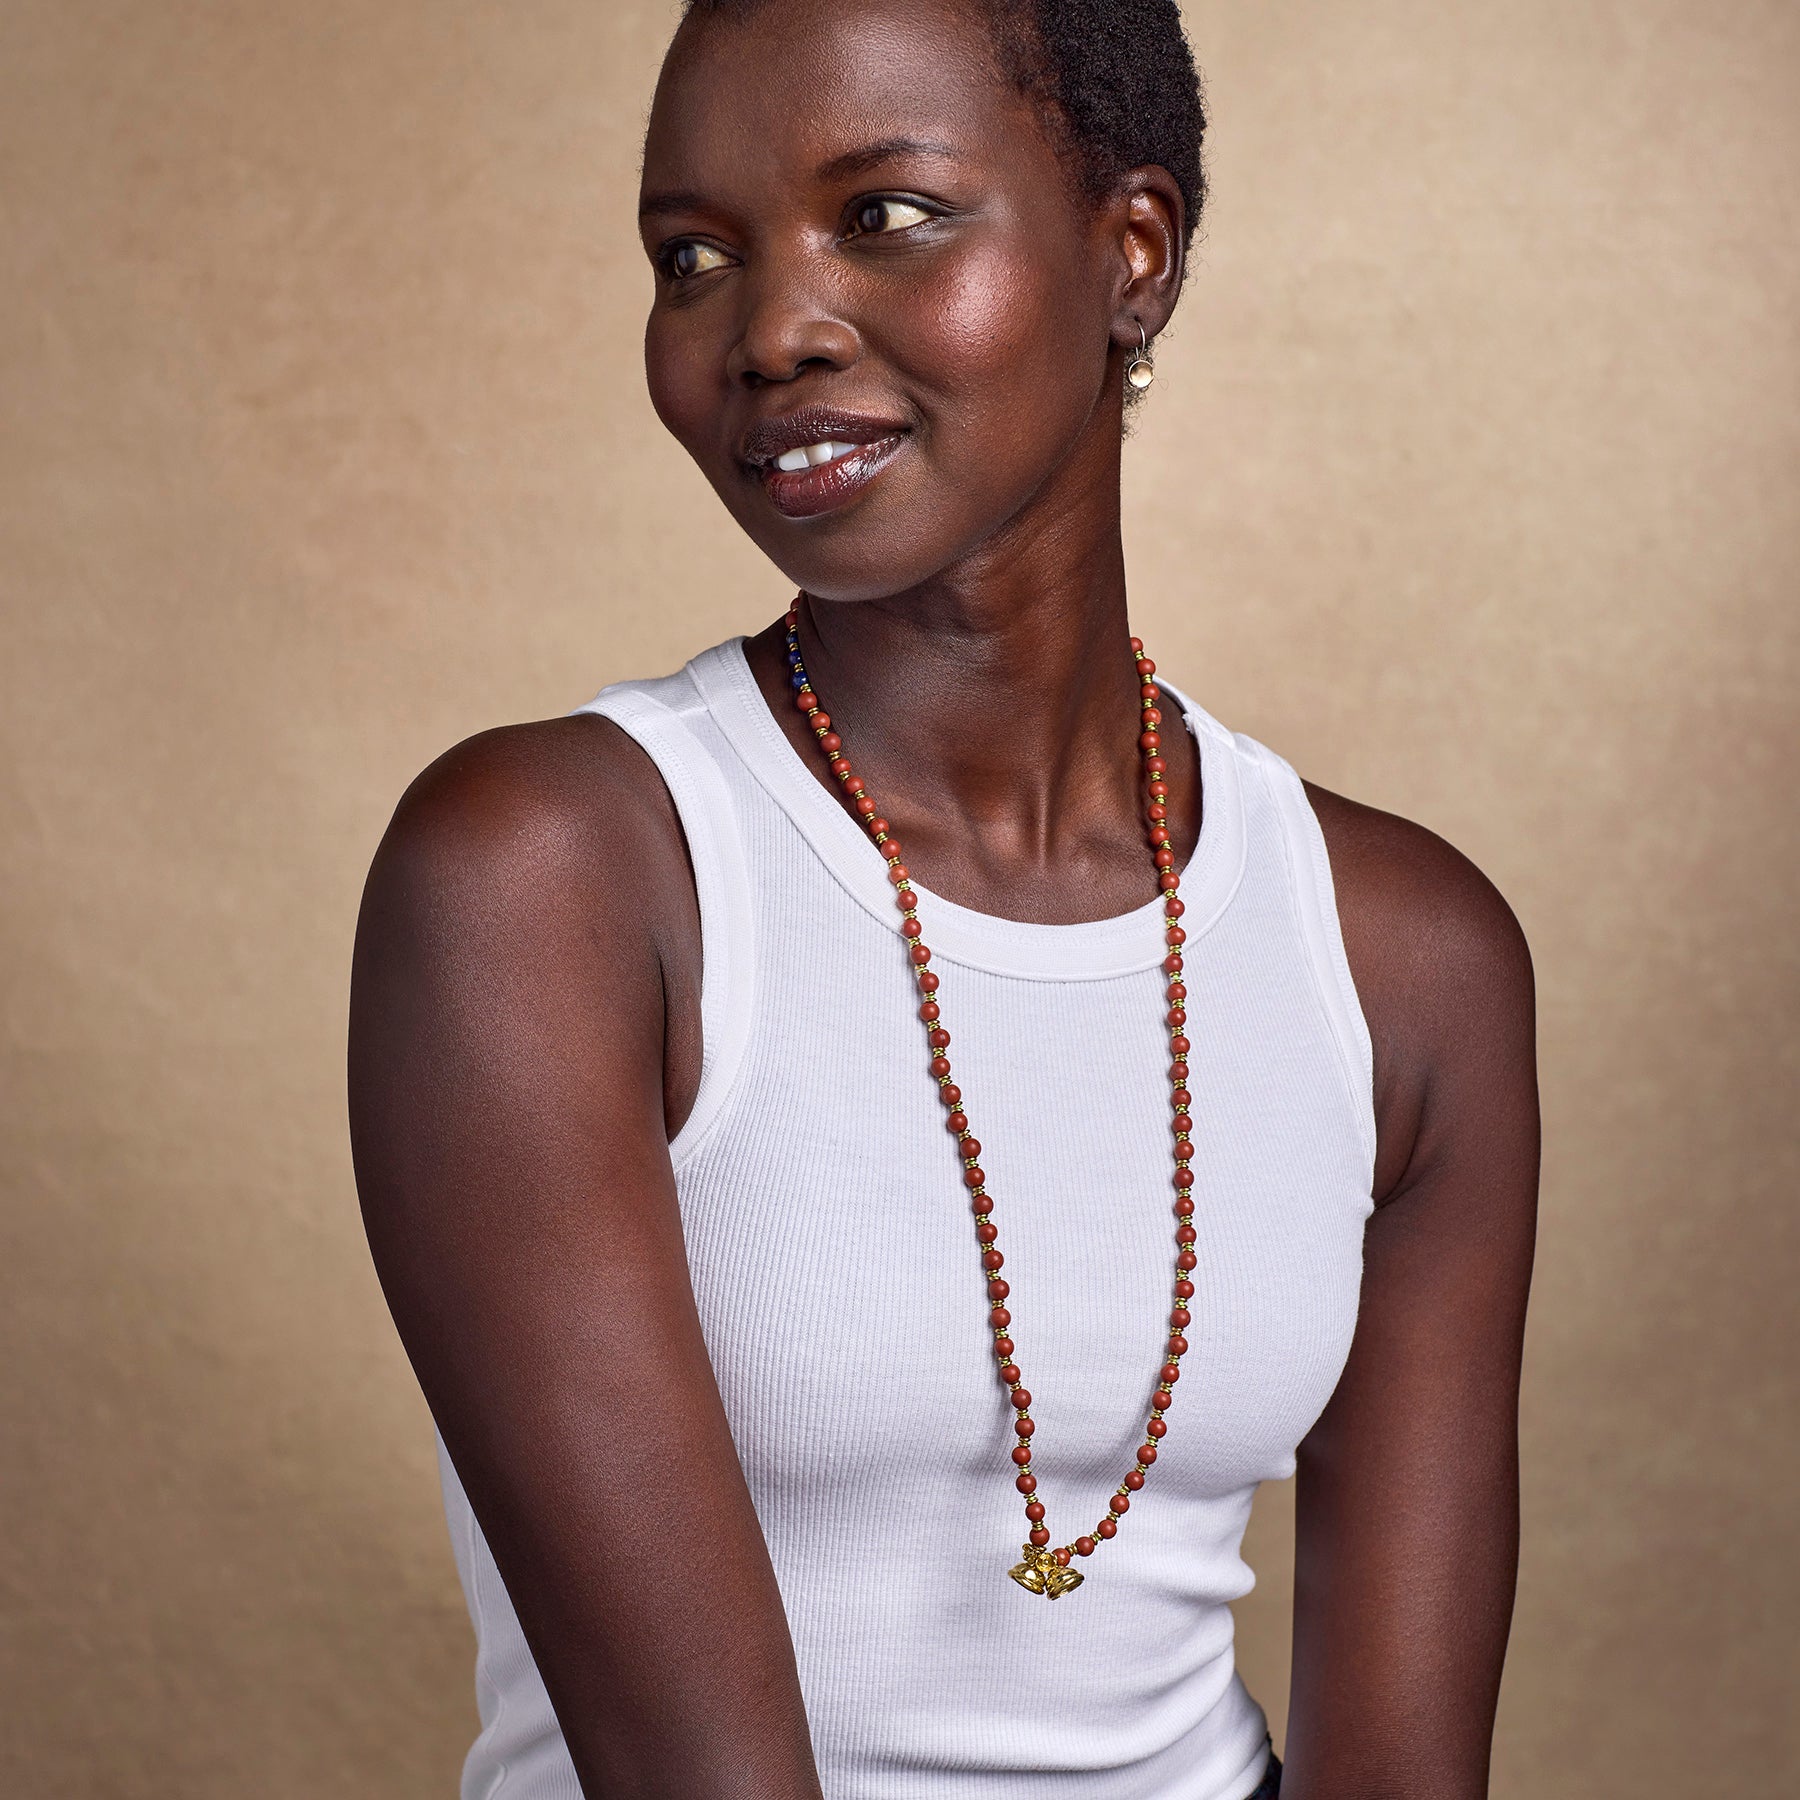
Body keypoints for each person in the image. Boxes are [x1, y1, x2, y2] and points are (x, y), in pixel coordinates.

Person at [347, 1, 1539, 1795]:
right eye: (693, 257)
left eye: (885, 215)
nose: (770, 330)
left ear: (1132, 253)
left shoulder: (1403, 956)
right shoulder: (551, 880)